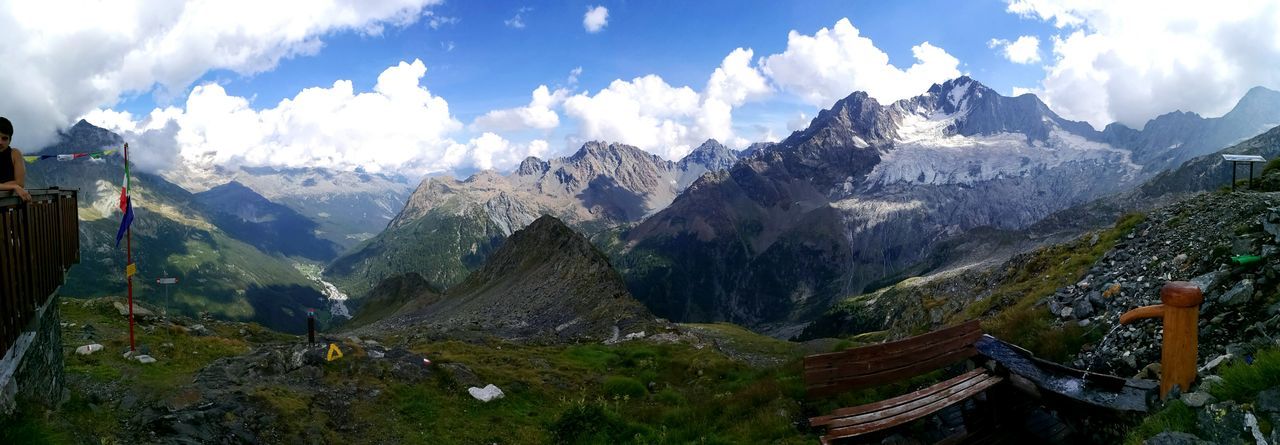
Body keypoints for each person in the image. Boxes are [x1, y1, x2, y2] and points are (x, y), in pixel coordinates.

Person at [0, 117, 31, 202]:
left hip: (10, 208)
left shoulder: (15, 154)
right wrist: (13, 185)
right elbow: (17, 184)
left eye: (4, 138)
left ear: (10, 140)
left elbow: (20, 183)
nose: (0, 142)